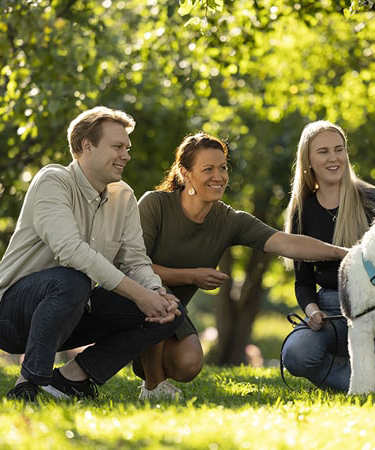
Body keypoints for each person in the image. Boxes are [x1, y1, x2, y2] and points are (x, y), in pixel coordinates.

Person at [0, 106, 184, 402]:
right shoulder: (53, 180)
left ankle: (70, 379)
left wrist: (153, 292)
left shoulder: (123, 196)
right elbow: (71, 251)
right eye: (117, 147)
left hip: (72, 310)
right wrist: (139, 295)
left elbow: (135, 260)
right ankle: (27, 384)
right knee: (72, 279)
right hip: (9, 316)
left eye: (127, 148)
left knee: (172, 310)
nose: (126, 155)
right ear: (86, 146)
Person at [134, 132, 350, 399]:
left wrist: (346, 253)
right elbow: (135, 267)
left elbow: (287, 243)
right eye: (208, 169)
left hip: (170, 313)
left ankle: (146, 356)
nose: (219, 176)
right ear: (185, 173)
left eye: (223, 168)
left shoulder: (229, 220)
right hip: (133, 301)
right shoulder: (155, 205)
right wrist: (192, 276)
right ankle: (153, 386)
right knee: (156, 291)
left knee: (188, 365)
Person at [281, 120, 375, 392]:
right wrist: (312, 311)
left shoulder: (371, 199)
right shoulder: (302, 210)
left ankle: (366, 380)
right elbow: (303, 282)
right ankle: (366, 381)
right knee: (295, 354)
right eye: (323, 151)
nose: (333, 158)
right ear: (309, 160)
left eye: (339, 149)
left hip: (373, 308)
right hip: (328, 310)